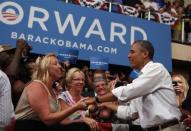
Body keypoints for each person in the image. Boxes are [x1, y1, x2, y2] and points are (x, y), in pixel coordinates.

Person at [85, 40, 181, 131]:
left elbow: (130, 90)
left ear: (145, 54)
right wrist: (105, 104)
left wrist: (97, 99)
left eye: (132, 52)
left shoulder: (157, 68)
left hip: (168, 128)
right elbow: (131, 113)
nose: (128, 56)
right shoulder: (140, 81)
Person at [14, 53, 90, 131]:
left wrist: (82, 120)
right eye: (55, 64)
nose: (60, 66)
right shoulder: (36, 85)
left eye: (59, 64)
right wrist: (75, 107)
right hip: (27, 126)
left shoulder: (54, 91)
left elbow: (62, 120)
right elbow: (47, 119)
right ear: (45, 68)